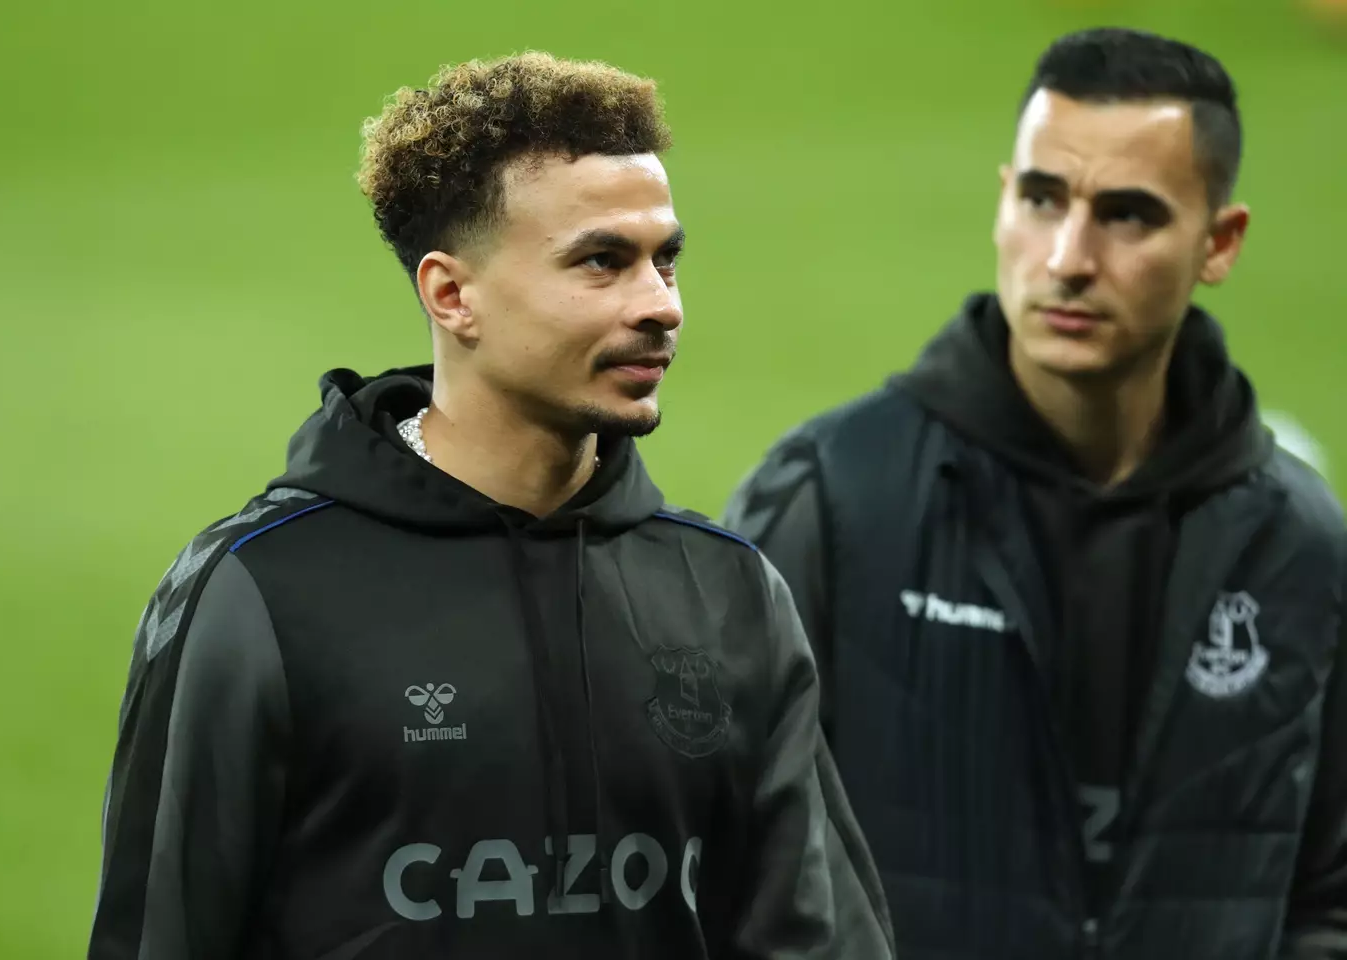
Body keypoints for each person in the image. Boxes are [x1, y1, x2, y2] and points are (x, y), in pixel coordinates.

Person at [86, 52, 893, 959]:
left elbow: (812, 940)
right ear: (451, 294)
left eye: (665, 260)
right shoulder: (261, 594)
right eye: (601, 262)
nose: (659, 304)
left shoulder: (729, 594)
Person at [723, 27, 1347, 960]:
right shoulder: (834, 501)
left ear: (1220, 242)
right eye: (1043, 197)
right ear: (1002, 201)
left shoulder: (1300, 544)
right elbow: (720, 858)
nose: (1067, 258)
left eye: (1128, 215)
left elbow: (1329, 892)